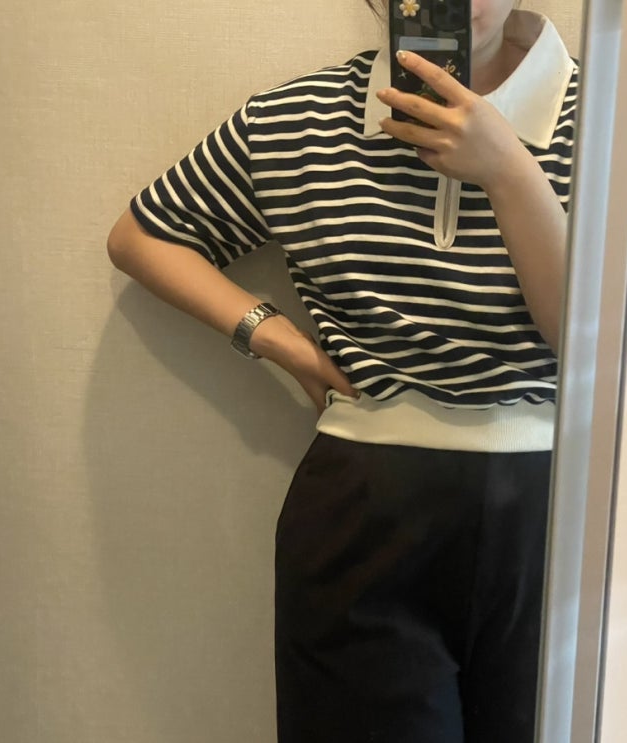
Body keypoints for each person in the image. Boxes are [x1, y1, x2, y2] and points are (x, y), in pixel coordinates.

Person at [107, 0, 577, 740]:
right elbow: (144, 235)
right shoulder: (298, 121)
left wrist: (510, 171)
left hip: (563, 509)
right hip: (363, 509)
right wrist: (281, 341)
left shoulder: (618, 123)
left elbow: (592, 343)